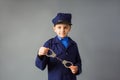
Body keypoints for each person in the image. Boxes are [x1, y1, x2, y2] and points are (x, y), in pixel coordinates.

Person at [35, 13, 82, 80]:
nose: (62, 30)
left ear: (69, 28)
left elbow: (78, 62)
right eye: (59, 27)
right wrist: (40, 55)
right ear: (54, 29)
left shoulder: (73, 44)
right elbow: (40, 66)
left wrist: (77, 68)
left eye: (65, 27)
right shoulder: (49, 44)